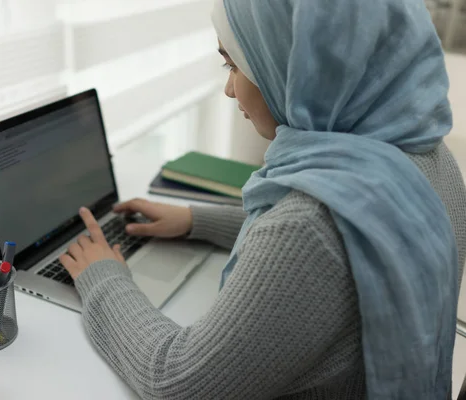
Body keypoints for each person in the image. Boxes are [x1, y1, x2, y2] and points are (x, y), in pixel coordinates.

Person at [59, 0, 466, 398]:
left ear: (301, 65)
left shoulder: (308, 227)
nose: (228, 89)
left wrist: (103, 277)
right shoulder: (426, 154)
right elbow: (352, 244)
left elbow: (175, 381)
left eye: (233, 64)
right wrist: (194, 219)